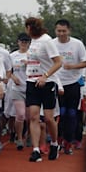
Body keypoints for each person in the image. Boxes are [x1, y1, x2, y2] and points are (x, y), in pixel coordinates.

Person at [23, 17, 63, 162]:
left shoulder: (47, 41)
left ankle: (54, 143)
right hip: (31, 81)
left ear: (30, 27)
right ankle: (35, 149)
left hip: (47, 83)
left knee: (48, 118)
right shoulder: (32, 42)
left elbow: (59, 62)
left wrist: (45, 76)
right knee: (33, 116)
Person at [52, 19, 86, 154]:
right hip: (56, 83)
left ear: (69, 31)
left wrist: (71, 66)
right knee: (59, 113)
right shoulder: (51, 44)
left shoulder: (77, 44)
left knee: (72, 114)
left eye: (64, 31)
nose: (61, 33)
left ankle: (69, 142)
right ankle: (58, 140)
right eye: (59, 31)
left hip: (73, 83)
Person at [8, 33, 31, 149]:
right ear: (18, 42)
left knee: (30, 116)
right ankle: (19, 138)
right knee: (20, 114)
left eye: (26, 42)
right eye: (22, 41)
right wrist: (13, 77)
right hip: (17, 88)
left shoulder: (31, 55)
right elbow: (7, 71)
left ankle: (29, 136)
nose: (24, 44)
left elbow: (39, 69)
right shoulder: (12, 56)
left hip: (31, 88)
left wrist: (30, 65)